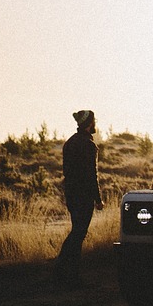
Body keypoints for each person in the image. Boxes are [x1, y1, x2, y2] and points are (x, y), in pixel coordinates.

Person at [54, 109, 103, 287]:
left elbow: (67, 172)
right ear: (89, 123)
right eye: (94, 120)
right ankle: (65, 271)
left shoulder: (69, 143)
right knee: (78, 233)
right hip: (84, 196)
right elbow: (92, 174)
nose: (95, 123)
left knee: (77, 231)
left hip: (72, 194)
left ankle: (66, 272)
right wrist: (98, 199)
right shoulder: (88, 145)